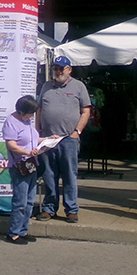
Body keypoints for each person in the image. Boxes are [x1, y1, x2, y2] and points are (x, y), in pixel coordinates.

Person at [37, 55, 91, 223]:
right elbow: (39, 110)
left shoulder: (78, 86)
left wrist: (77, 131)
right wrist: (37, 132)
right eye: (56, 68)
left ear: (69, 70)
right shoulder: (46, 86)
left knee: (69, 175)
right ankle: (49, 208)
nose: (58, 71)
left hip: (68, 139)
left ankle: (71, 209)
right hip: (47, 139)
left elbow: (86, 111)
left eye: (62, 68)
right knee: (49, 174)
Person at [2, 95, 41, 244]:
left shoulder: (27, 121)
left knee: (30, 200)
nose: (32, 116)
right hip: (20, 166)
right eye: (30, 113)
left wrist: (49, 140)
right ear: (22, 111)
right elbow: (12, 145)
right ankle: (13, 233)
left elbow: (32, 140)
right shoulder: (11, 122)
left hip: (32, 164)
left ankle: (23, 230)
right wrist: (27, 153)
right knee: (20, 202)